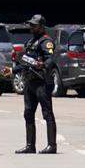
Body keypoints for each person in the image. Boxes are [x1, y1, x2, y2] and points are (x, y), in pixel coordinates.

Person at [15, 14, 57, 155]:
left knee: (47, 114)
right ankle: (30, 146)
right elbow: (24, 62)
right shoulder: (31, 42)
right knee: (28, 113)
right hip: (30, 82)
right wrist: (13, 70)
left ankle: (52, 145)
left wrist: (42, 65)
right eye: (31, 24)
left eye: (34, 25)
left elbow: (50, 59)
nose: (31, 27)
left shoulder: (46, 41)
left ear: (41, 26)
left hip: (42, 82)